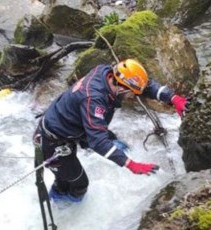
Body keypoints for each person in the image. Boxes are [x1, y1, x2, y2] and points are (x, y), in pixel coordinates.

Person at [33, 59, 188, 203]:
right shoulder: (93, 99)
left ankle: (64, 179)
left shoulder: (107, 72)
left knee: (115, 144)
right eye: (131, 94)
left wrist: (173, 98)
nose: (133, 97)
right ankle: (60, 205)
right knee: (79, 184)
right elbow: (97, 141)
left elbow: (144, 87)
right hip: (52, 140)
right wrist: (130, 164)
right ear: (120, 88)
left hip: (75, 126)